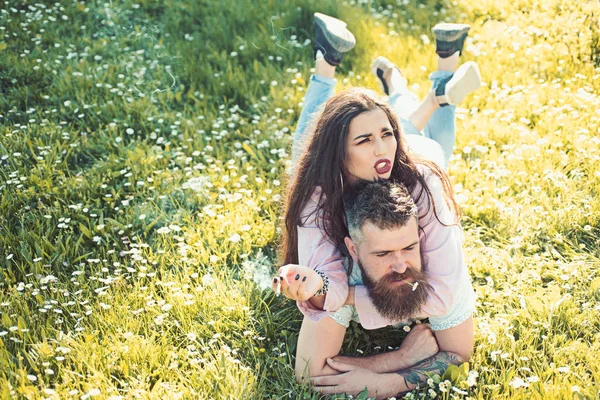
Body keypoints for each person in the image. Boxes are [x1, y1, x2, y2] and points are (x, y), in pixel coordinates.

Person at [271, 11, 479, 384]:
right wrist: (318, 288)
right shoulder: (317, 198)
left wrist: (386, 378)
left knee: (426, 134)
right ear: (339, 153)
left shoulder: (420, 176)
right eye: (365, 141)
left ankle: (414, 82)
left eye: (386, 135)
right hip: (359, 168)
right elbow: (309, 372)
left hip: (421, 149)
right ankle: (331, 66)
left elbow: (445, 298)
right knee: (302, 150)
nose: (383, 150)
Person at [299, 180, 475, 398]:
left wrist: (389, 384)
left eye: (409, 248)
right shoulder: (338, 274)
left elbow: (459, 354)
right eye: (383, 254)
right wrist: (401, 358)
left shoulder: (442, 269)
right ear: (353, 249)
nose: (401, 266)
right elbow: (311, 373)